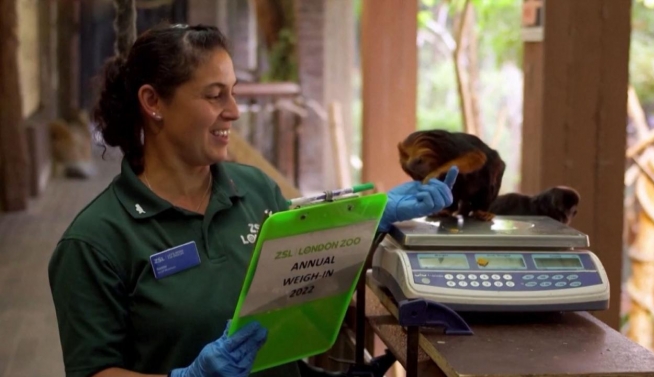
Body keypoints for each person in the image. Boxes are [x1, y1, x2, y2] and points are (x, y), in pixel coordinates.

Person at [47, 23, 459, 377]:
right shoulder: (94, 242)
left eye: (233, 92)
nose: (234, 111)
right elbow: (94, 371)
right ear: (153, 102)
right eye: (214, 96)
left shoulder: (256, 190)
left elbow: (307, 280)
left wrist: (368, 221)